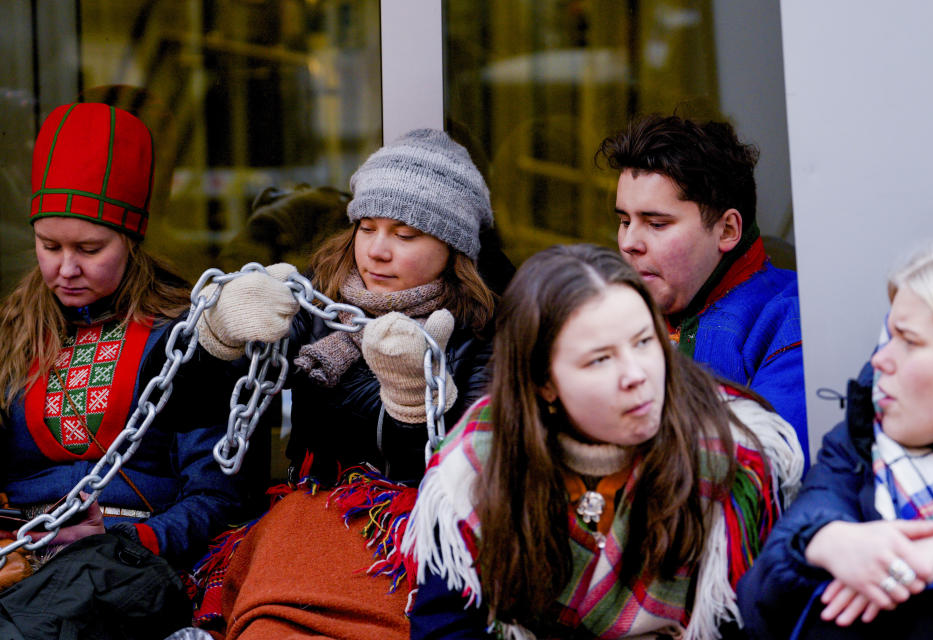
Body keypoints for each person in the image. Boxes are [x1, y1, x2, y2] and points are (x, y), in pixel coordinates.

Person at [402, 243, 803, 639]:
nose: (636, 374)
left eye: (644, 342)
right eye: (600, 359)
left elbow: (755, 623)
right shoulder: (477, 460)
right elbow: (447, 624)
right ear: (544, 382)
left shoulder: (730, 452)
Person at [193, 128, 503, 639]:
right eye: (367, 227)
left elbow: (465, 483)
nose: (378, 251)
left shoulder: (485, 330)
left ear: (453, 247)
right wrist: (217, 337)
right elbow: (196, 407)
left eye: (406, 235)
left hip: (406, 551)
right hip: (309, 528)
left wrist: (411, 404)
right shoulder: (317, 301)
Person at [0, 102, 243, 638]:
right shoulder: (11, 333)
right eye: (49, 246)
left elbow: (217, 497)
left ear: (131, 242)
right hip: (18, 559)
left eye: (90, 248)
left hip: (131, 567)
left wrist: (122, 537)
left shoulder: (183, 339)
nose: (66, 268)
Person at [737, 236, 933, 639]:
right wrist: (823, 540)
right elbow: (755, 605)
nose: (880, 359)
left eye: (909, 341)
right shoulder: (860, 441)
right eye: (888, 336)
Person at [597, 115, 809, 464]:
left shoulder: (791, 320)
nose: (629, 242)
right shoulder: (607, 317)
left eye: (656, 223)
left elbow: (765, 470)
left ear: (727, 230)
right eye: (624, 221)